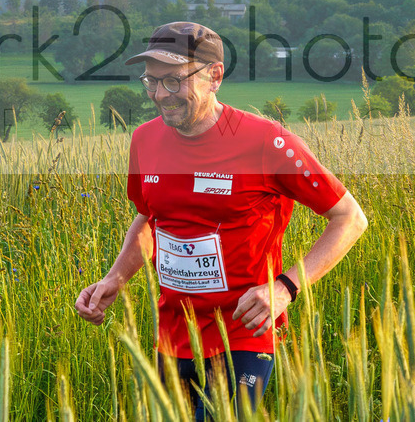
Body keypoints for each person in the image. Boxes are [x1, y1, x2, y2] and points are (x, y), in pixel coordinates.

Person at [75, 21, 367, 419]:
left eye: (174, 81)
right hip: (172, 335)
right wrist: (114, 279)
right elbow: (148, 218)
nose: (161, 95)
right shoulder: (144, 139)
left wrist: (286, 287)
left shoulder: (267, 142)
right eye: (152, 82)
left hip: (243, 335)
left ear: (215, 77)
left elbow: (349, 217)